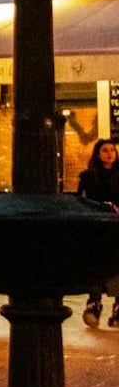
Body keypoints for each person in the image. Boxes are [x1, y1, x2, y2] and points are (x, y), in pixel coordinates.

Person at [78, 139, 119, 327]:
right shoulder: (88, 176)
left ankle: (118, 307)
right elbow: (81, 200)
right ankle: (94, 303)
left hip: (116, 225)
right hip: (96, 226)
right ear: (97, 154)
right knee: (96, 264)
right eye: (105, 150)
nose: (110, 153)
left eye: (112, 150)